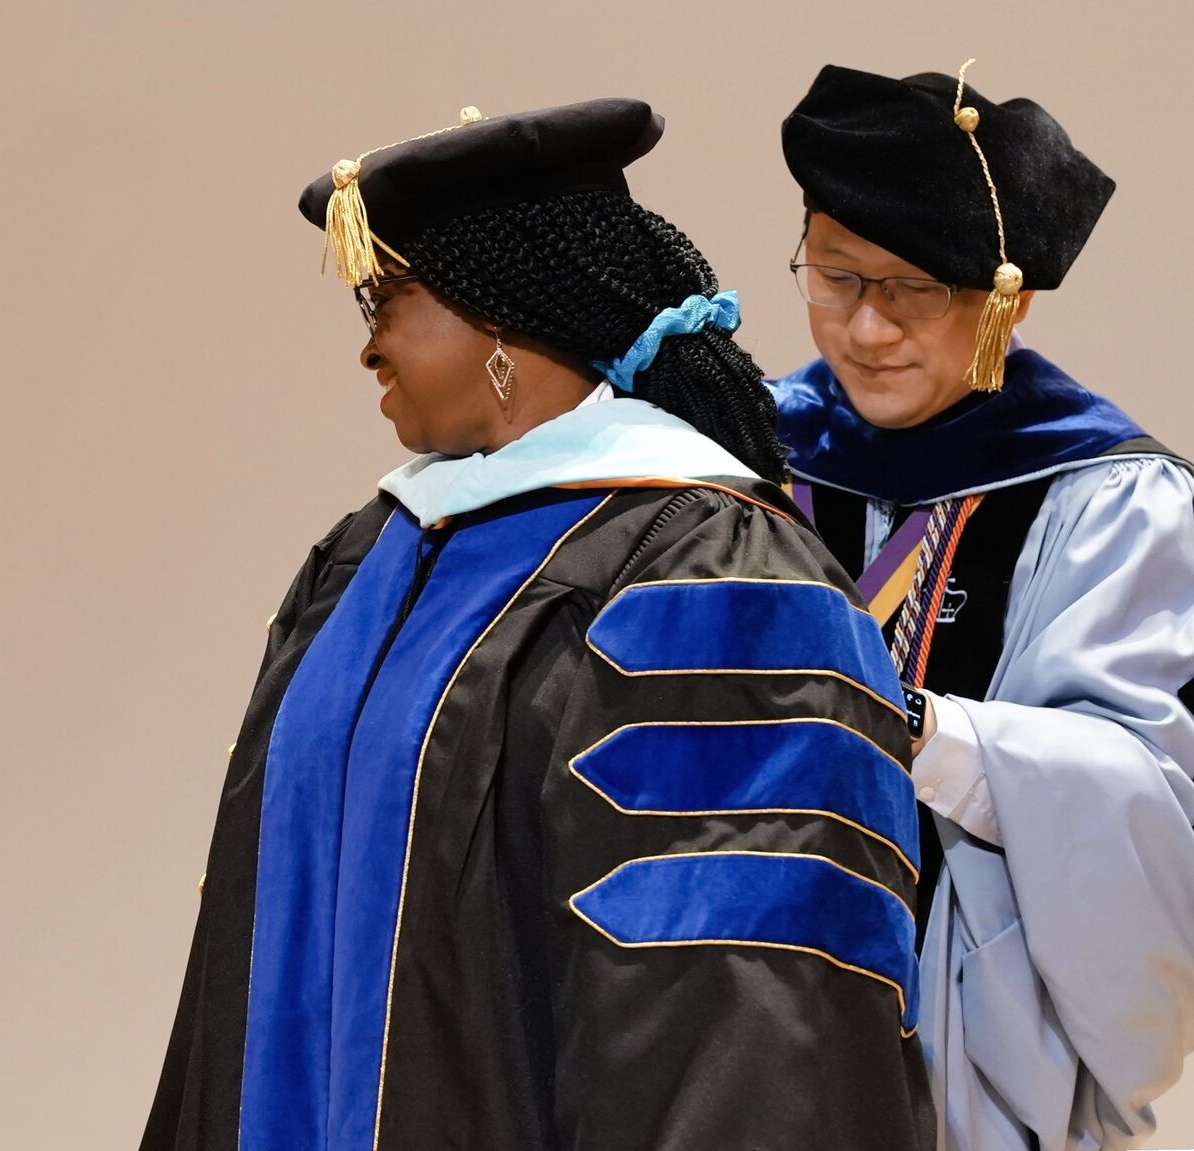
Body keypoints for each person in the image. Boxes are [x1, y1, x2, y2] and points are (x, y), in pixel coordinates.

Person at [144, 99, 933, 1151]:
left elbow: (749, 1014)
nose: (369, 349)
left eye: (393, 299)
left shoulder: (715, 580)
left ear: (504, 318)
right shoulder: (362, 560)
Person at [772, 62, 1194, 1151]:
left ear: (1005, 295)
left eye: (910, 287)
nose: (865, 329)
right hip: (725, 1045)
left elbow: (1192, 838)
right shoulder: (749, 459)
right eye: (832, 275)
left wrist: (936, 738)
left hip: (967, 1078)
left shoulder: (1114, 502)